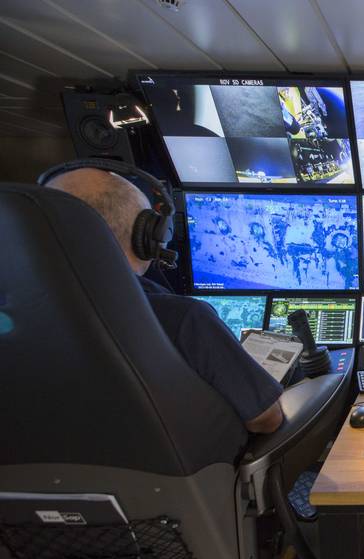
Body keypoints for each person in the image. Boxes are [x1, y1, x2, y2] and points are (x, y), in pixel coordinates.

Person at [46, 168, 285, 434]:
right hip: (198, 470)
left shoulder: (20, 317)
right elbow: (266, 419)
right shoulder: (183, 319)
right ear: (148, 236)